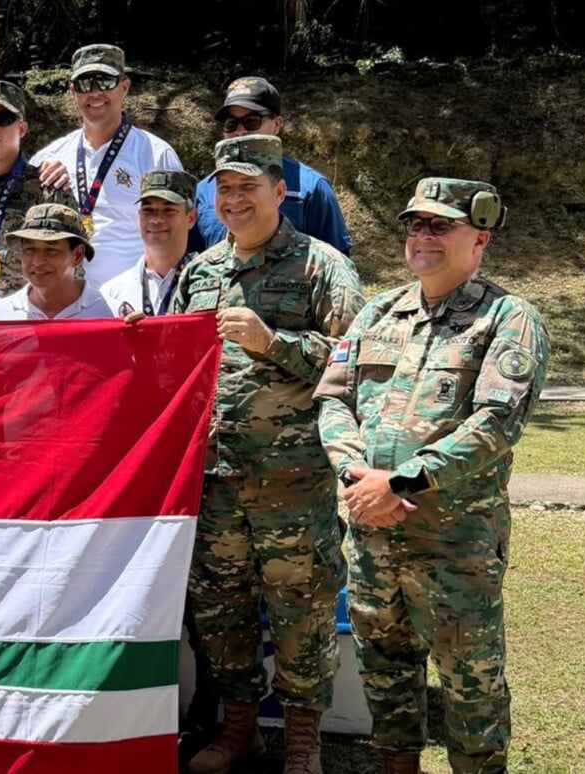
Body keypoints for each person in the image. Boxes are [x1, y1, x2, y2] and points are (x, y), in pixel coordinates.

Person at [315, 178, 549, 774]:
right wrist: (356, 476)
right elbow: (333, 401)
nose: (423, 236)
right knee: (385, 673)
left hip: (454, 547)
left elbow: (495, 424)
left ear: (479, 238)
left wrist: (400, 483)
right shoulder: (377, 312)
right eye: (415, 225)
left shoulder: (507, 318)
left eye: (440, 226)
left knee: (471, 687)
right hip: (371, 535)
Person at [170, 135, 365, 773]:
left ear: (280, 192)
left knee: (301, 614)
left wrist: (274, 343)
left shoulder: (322, 266)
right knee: (221, 613)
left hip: (293, 483)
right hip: (217, 481)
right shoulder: (200, 272)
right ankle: (240, 731)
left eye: (248, 187)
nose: (234, 200)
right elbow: (174, 367)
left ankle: (303, 741)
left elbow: (353, 363)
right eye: (224, 189)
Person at [32, 44, 184, 289]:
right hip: (65, 306)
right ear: (72, 92)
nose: (94, 93)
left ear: (124, 87)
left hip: (132, 306)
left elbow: (180, 232)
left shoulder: (155, 155)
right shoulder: (48, 158)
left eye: (104, 81)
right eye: (84, 84)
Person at [191, 77, 353, 256]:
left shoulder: (312, 188)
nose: (240, 131)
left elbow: (337, 259)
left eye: (251, 121)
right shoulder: (204, 190)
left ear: (277, 125)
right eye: (231, 124)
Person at [0, 79, 75, 294]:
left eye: (3, 119)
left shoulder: (48, 188)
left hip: (30, 317)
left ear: (22, 128)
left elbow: (73, 269)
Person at [0, 203, 114, 321]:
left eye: (51, 250)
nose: (38, 261)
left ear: (77, 256)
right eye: (29, 249)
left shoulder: (107, 311)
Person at [100, 169, 200, 318]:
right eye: (148, 210)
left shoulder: (210, 282)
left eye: (168, 210)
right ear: (138, 217)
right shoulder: (111, 293)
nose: (156, 220)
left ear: (191, 218)